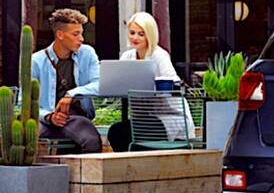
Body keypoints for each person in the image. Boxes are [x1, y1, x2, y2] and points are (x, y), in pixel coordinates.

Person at [107, 12, 195, 151]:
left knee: (127, 133)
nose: (135, 38)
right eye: (132, 33)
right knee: (117, 131)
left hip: (168, 117)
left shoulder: (159, 56)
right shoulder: (127, 56)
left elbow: (174, 85)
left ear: (150, 35)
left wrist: (154, 86)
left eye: (141, 34)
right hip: (143, 118)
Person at [31, 9, 102, 153]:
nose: (81, 39)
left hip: (75, 118)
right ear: (60, 35)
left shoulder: (87, 53)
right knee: (25, 139)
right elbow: (24, 102)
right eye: (76, 34)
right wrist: (48, 116)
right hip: (45, 120)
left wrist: (71, 94)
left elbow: (99, 84)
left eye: (81, 33)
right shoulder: (36, 61)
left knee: (90, 139)